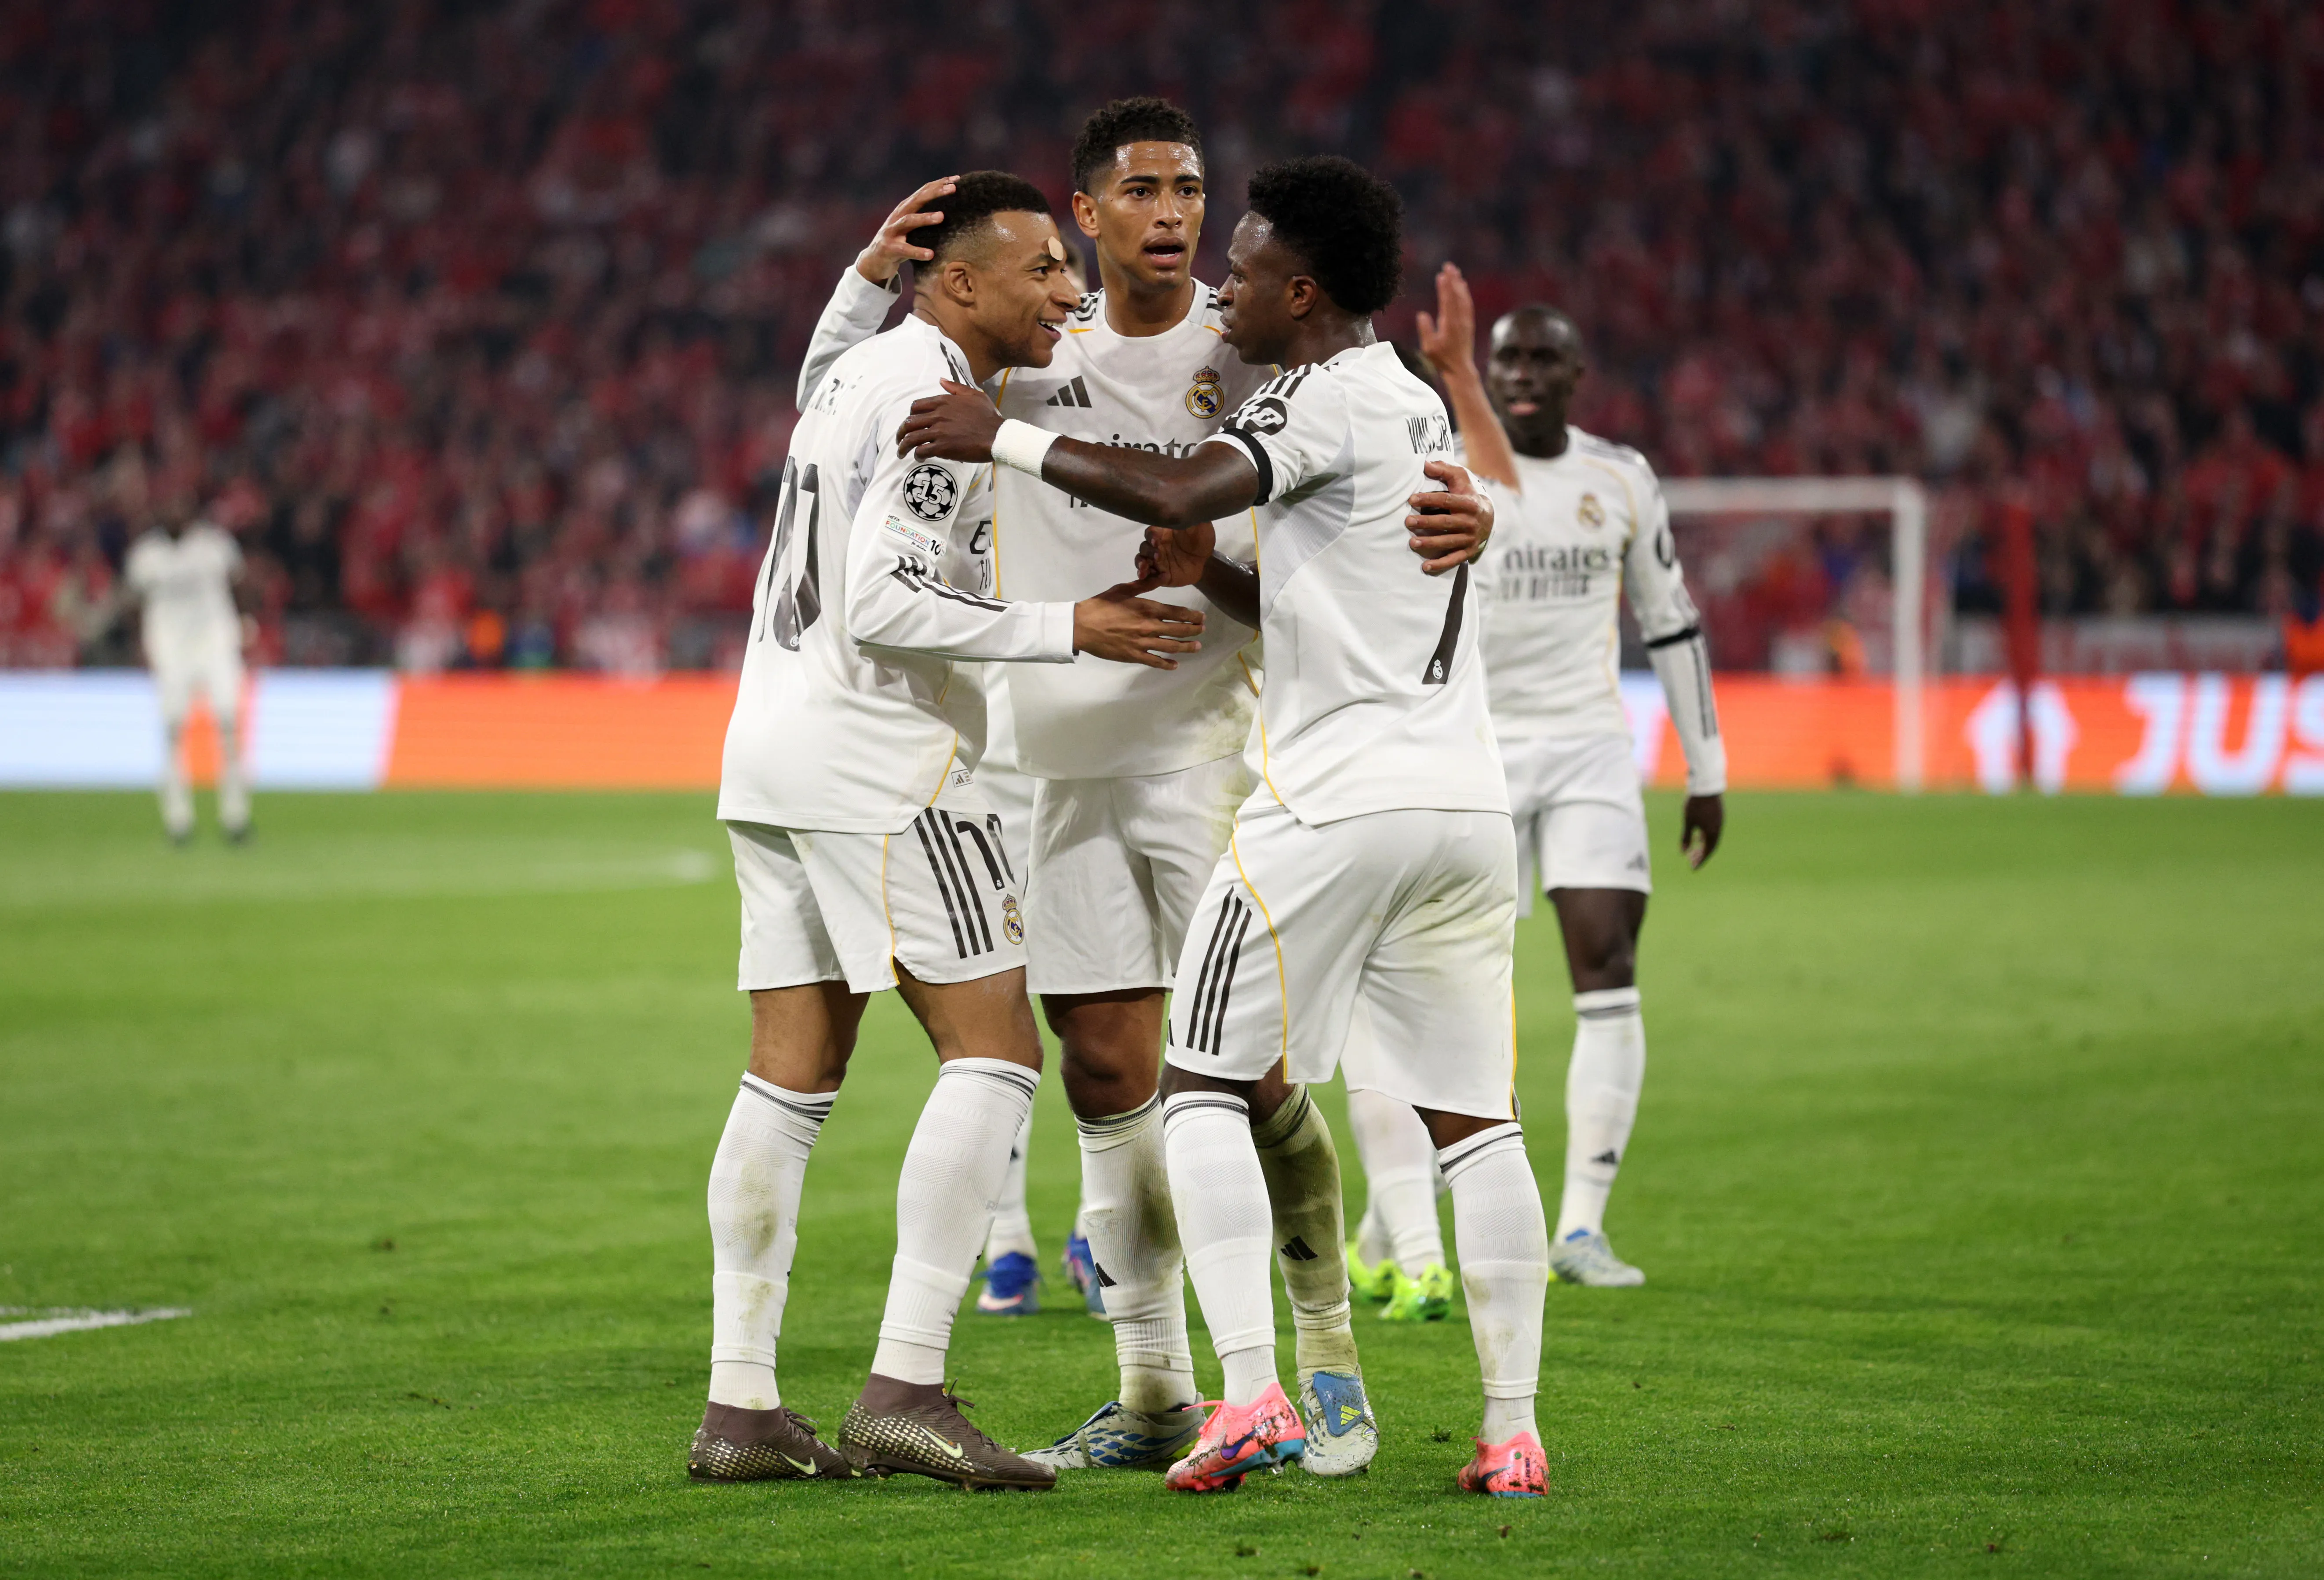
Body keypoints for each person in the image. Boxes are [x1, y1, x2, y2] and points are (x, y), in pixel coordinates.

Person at [801, 102, 1495, 1474]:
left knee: (1248, 1079)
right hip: (1042, 761)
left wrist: (1476, 509)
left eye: (1187, 186)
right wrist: (865, 281)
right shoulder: (1015, 344)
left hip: (1208, 747)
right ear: (1087, 213)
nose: (1173, 212)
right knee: (1107, 1076)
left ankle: (1324, 1356)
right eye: (1142, 190)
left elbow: (1391, 442)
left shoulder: (1241, 346)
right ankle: (1157, 1389)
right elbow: (835, 405)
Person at [688, 171, 1204, 1493]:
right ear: (957, 282)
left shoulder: (860, 369)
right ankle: (904, 1386)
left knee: (789, 1076)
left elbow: (813, 391)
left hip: (769, 743)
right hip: (884, 760)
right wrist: (1070, 625)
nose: (1070, 290)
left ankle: (740, 1405)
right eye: (1042, 268)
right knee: (994, 1053)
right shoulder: (928, 398)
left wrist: (862, 276)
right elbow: (886, 603)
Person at [1406, 262, 1727, 1286]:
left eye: (1545, 356)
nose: (1526, 372)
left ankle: (1580, 1224)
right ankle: (1419, 1214)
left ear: (1579, 372)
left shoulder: (1621, 477)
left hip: (1591, 744)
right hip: (1478, 748)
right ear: (1488, 370)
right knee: (1458, 981)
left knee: (1606, 963)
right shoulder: (1446, 464)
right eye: (1510, 358)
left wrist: (1706, 764)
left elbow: (1670, 619)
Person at [122, 498, 253, 845]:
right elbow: (133, 602)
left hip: (215, 646)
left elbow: (240, 584)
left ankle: (235, 817)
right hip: (171, 652)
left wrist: (243, 627)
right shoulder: (146, 555)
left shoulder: (214, 546)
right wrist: (143, 645)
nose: (176, 513)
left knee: (229, 725)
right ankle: (178, 820)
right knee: (171, 732)